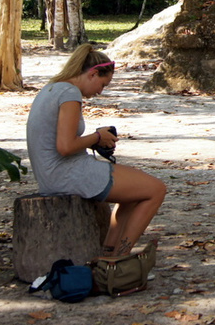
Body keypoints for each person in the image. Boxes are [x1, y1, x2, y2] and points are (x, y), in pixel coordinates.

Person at [26, 44, 166, 257]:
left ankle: (109, 253)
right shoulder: (70, 93)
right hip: (65, 174)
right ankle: (120, 257)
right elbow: (65, 147)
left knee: (134, 189)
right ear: (92, 73)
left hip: (51, 174)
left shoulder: (52, 88)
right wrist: (97, 136)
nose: (101, 91)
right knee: (156, 190)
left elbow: (60, 140)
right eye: (102, 84)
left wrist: (93, 142)